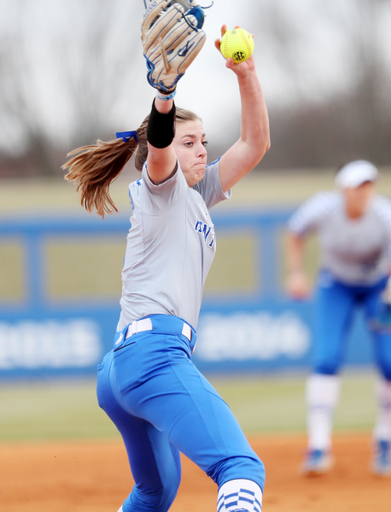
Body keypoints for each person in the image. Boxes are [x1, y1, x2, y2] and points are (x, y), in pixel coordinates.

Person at [63, 2, 270, 511]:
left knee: (156, 491)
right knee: (241, 468)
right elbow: (158, 151)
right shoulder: (162, 188)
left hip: (121, 368)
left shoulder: (199, 196)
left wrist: (245, 74)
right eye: (191, 142)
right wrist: (164, 96)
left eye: (205, 141)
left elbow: (255, 143)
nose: (202, 150)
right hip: (153, 357)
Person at [286, 160, 391, 477]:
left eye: (368, 185)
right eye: (358, 186)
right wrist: (296, 273)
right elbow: (295, 232)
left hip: (379, 286)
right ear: (343, 190)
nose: (364, 192)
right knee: (326, 358)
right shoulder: (323, 208)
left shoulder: (384, 214)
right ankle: (319, 447)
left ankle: (385, 441)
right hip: (337, 285)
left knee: (389, 363)